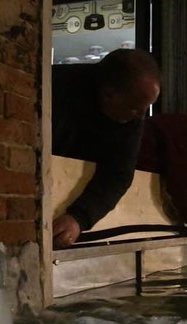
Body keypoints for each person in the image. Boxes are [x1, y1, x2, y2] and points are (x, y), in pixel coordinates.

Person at [51, 48, 161, 249]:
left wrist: (79, 218)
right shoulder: (52, 87)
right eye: (136, 108)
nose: (141, 118)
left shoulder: (132, 118)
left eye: (145, 110)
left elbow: (119, 174)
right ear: (108, 94)